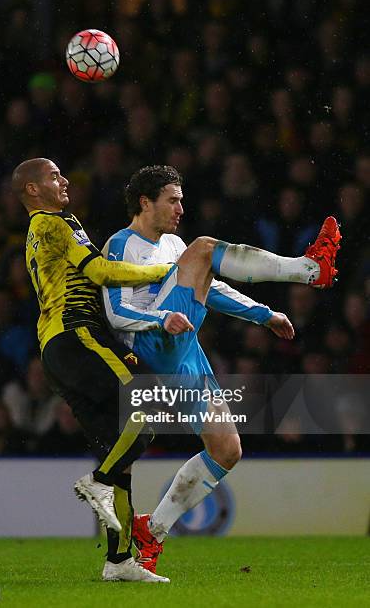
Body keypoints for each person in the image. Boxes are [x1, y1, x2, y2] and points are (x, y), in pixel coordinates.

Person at [102, 165, 341, 573]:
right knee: (205, 247)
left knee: (226, 449)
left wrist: (264, 315)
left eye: (181, 199)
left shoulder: (174, 245)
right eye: (172, 199)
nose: (181, 206)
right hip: (151, 346)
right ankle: (308, 269)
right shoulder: (122, 244)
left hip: (184, 351)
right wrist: (159, 320)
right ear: (145, 202)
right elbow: (114, 309)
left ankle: (152, 532)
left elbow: (210, 289)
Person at [12, 157, 174, 583]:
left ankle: (118, 561)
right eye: (53, 176)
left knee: (118, 453)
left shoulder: (37, 232)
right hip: (75, 335)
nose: (64, 180)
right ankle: (97, 482)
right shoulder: (55, 222)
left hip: (56, 347)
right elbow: (99, 272)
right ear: (32, 189)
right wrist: (164, 273)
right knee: (146, 410)